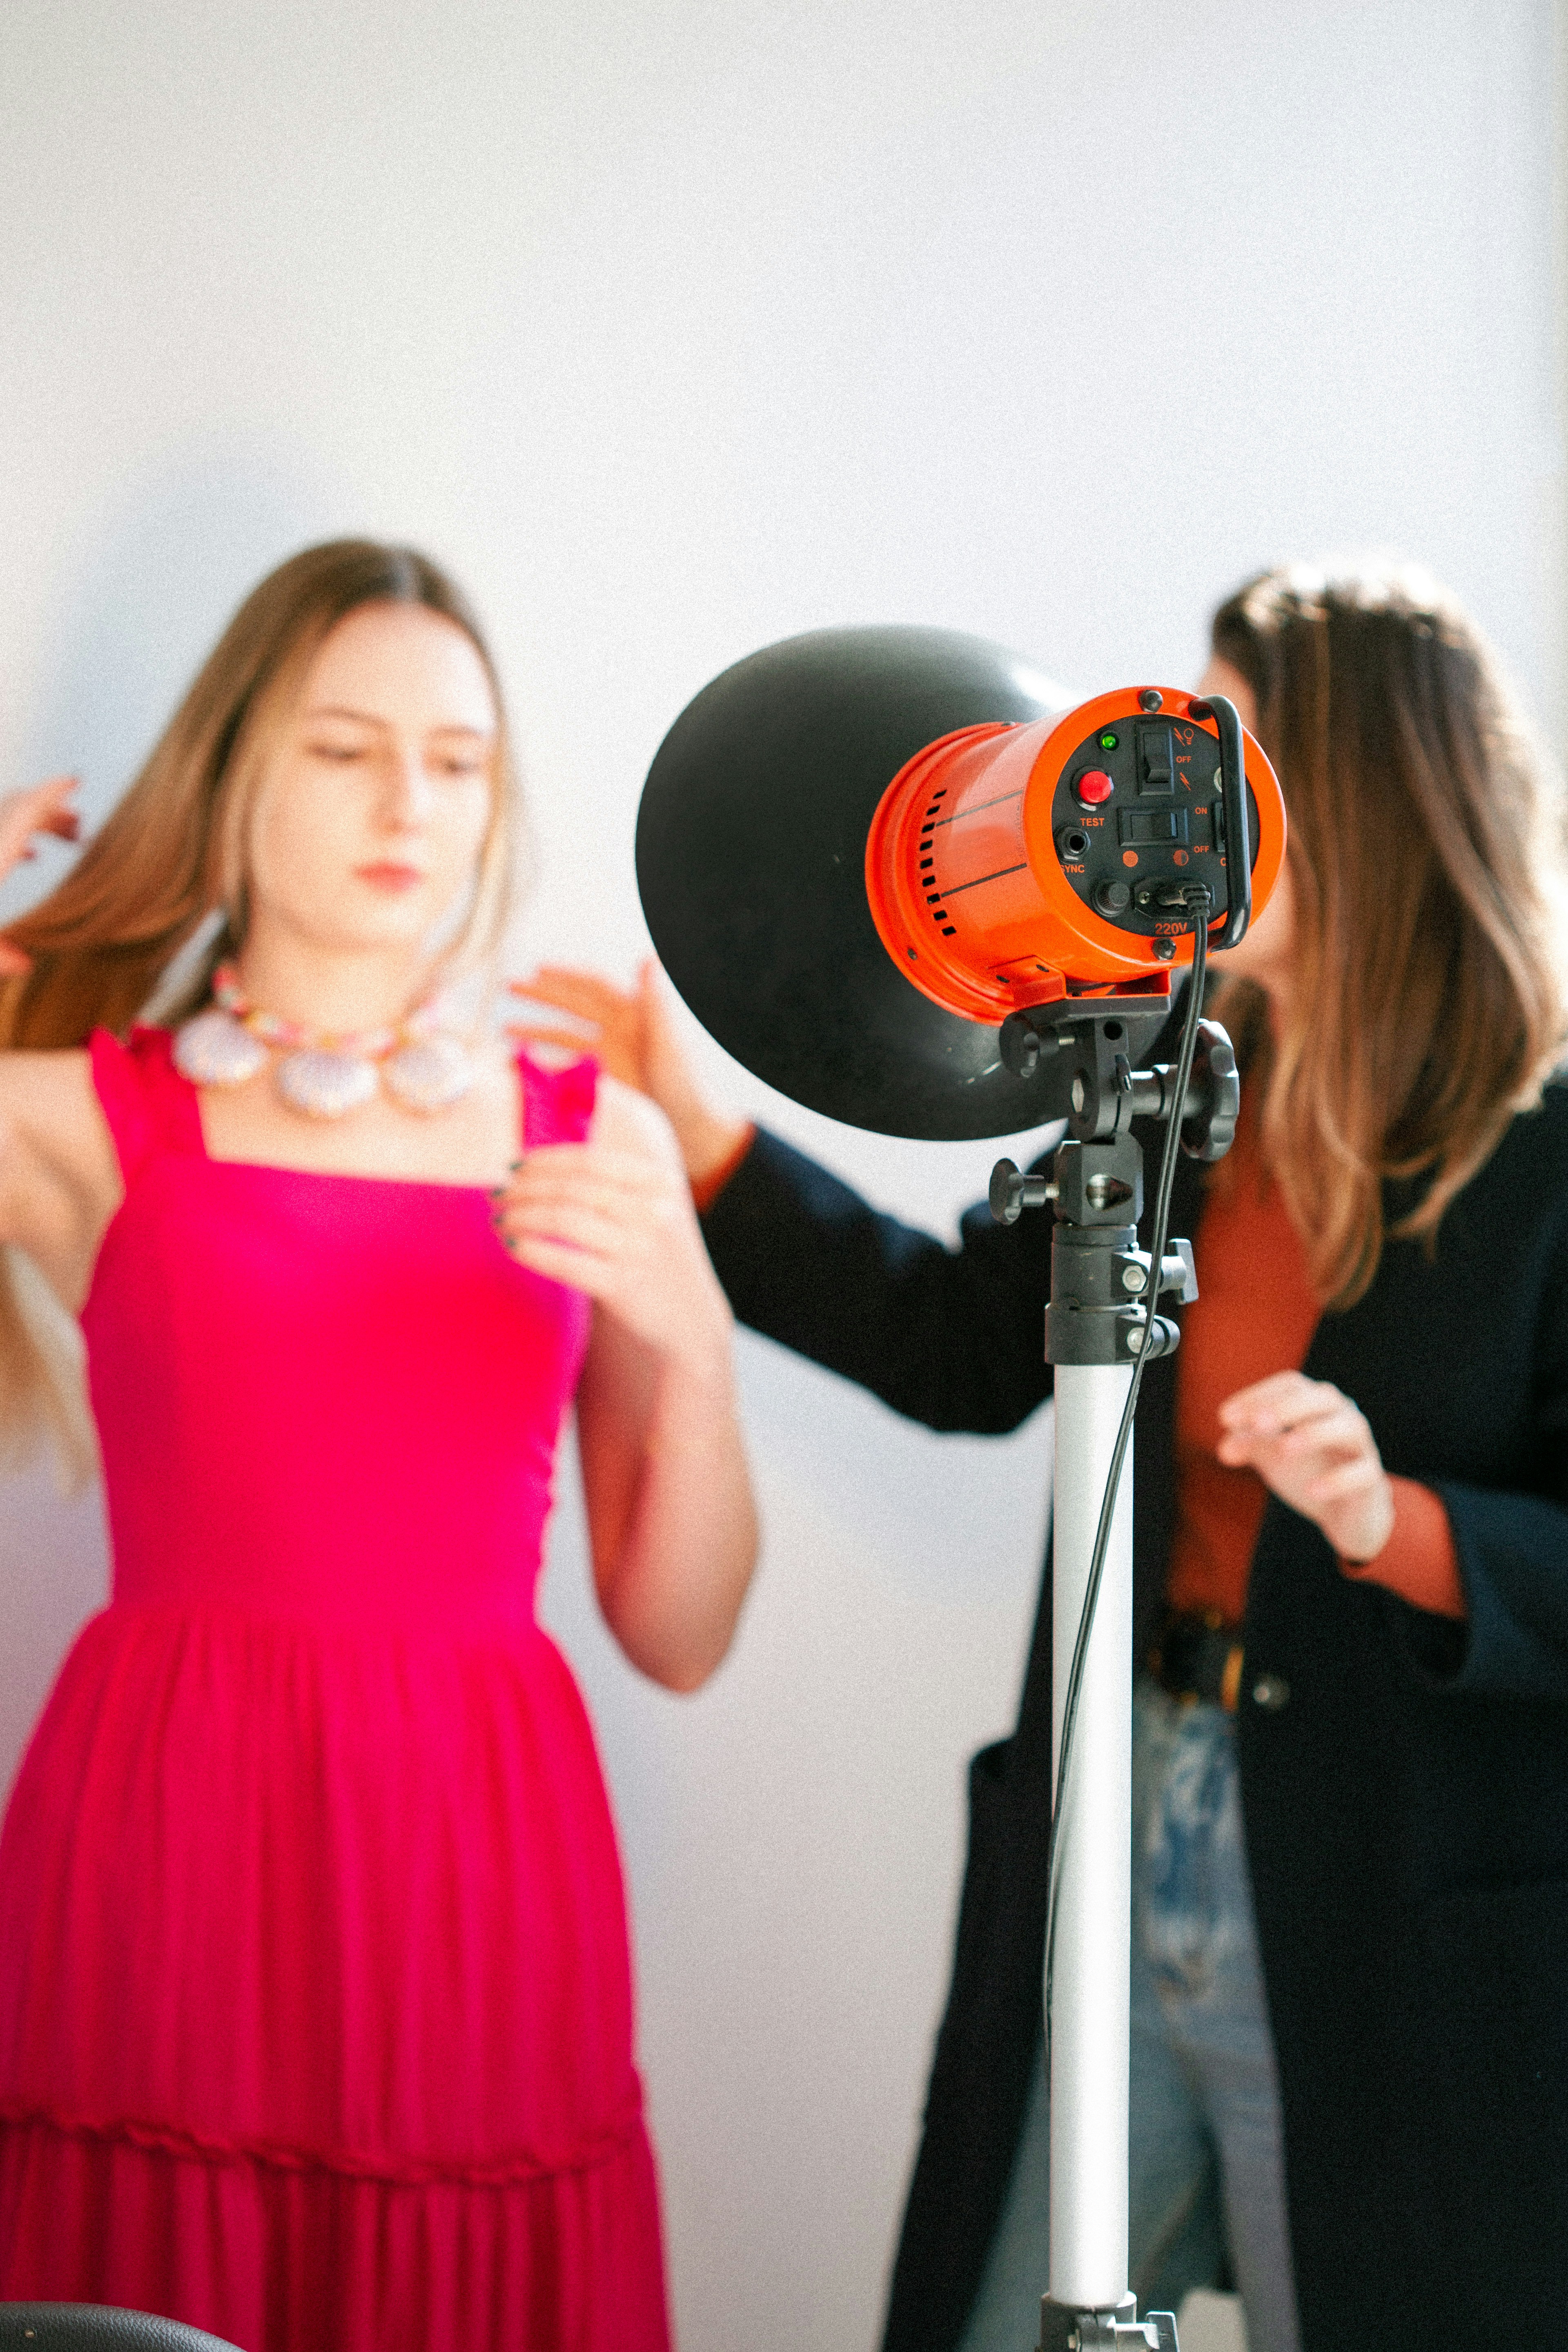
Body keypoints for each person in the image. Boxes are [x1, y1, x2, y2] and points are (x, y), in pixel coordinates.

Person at [521, 563, 1568, 2352]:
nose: (1175, 792)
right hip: (1109, 1811)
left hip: (1384, 1884)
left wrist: (1397, 1526)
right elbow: (960, 1349)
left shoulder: (1539, 1156)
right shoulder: (1170, 1074)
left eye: (1230, 742)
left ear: (1372, 794)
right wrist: (710, 1152)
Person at [0, 539, 758, 2352]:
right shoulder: (79, 1115)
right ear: (237, 768)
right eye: (346, 751)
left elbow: (680, 1631)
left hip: (476, 1845)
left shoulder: (603, 1133)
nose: (408, 801)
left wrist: (700, 1334)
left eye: (457, 758)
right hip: (169, 1828)